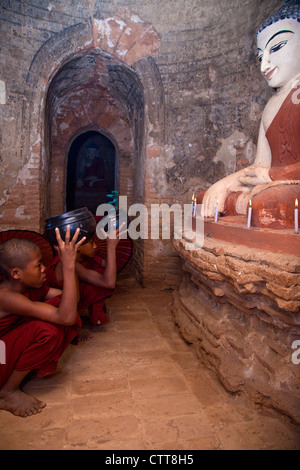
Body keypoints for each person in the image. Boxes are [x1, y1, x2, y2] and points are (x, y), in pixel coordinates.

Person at [201, 0, 300, 229]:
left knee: (266, 206)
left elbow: (265, 172)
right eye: (259, 56)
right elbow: (259, 167)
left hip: (286, 188)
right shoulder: (271, 106)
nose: (264, 64)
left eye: (276, 47)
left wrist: (272, 175)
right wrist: (223, 184)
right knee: (211, 197)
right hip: (273, 185)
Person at [0, 226, 85, 418]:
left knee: (58, 310)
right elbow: (66, 316)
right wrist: (70, 266)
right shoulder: (6, 297)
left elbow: (69, 301)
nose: (44, 268)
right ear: (16, 273)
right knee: (45, 330)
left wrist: (67, 265)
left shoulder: (27, 288)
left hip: (3, 350)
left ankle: (19, 372)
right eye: (38, 265)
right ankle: (7, 392)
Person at [45, 221, 126, 339]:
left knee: (96, 282)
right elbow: (108, 283)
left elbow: (108, 280)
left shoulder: (81, 262)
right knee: (92, 288)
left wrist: (111, 247)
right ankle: (72, 325)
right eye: (91, 243)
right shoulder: (65, 264)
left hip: (69, 299)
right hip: (60, 304)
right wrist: (111, 247)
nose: (95, 246)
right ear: (78, 247)